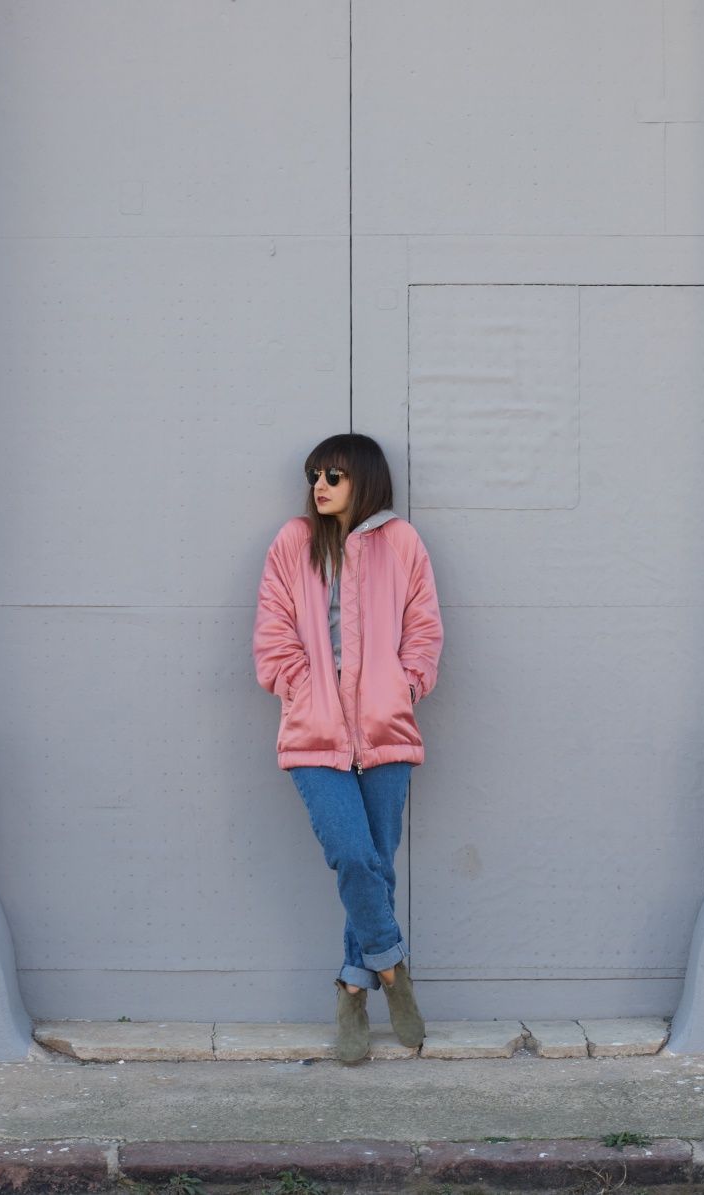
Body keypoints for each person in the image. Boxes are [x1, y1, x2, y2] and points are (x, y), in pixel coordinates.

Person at [253, 432, 443, 1063]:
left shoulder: (402, 543)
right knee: (355, 858)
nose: (320, 486)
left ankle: (352, 990)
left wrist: (404, 685)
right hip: (314, 736)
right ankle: (393, 971)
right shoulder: (293, 542)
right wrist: (302, 689)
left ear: (364, 478)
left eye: (333, 475)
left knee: (379, 867)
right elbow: (272, 633)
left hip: (386, 732)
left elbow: (424, 627)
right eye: (314, 475)